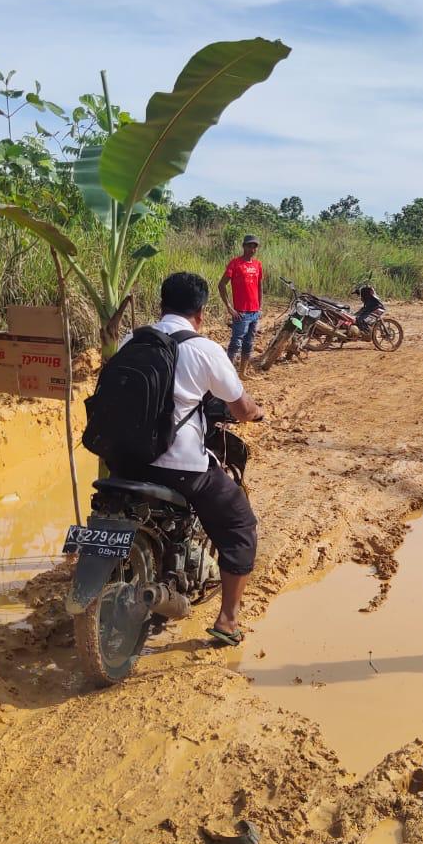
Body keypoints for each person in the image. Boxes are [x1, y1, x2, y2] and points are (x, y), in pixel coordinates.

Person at [125, 271, 265, 646]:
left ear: (161, 304)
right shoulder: (204, 349)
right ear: (201, 312)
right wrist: (256, 413)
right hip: (180, 469)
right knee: (239, 524)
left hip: (125, 461)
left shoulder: (130, 340)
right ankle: (228, 621)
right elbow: (241, 408)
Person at [218, 234, 263, 375]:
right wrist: (229, 308)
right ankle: (226, 376)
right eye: (249, 245)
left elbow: (259, 286)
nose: (252, 249)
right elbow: (221, 285)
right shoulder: (235, 263)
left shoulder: (257, 265)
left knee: (248, 343)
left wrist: (260, 307)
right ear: (243, 246)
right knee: (235, 343)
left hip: (254, 312)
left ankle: (242, 373)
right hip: (241, 312)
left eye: (254, 246)